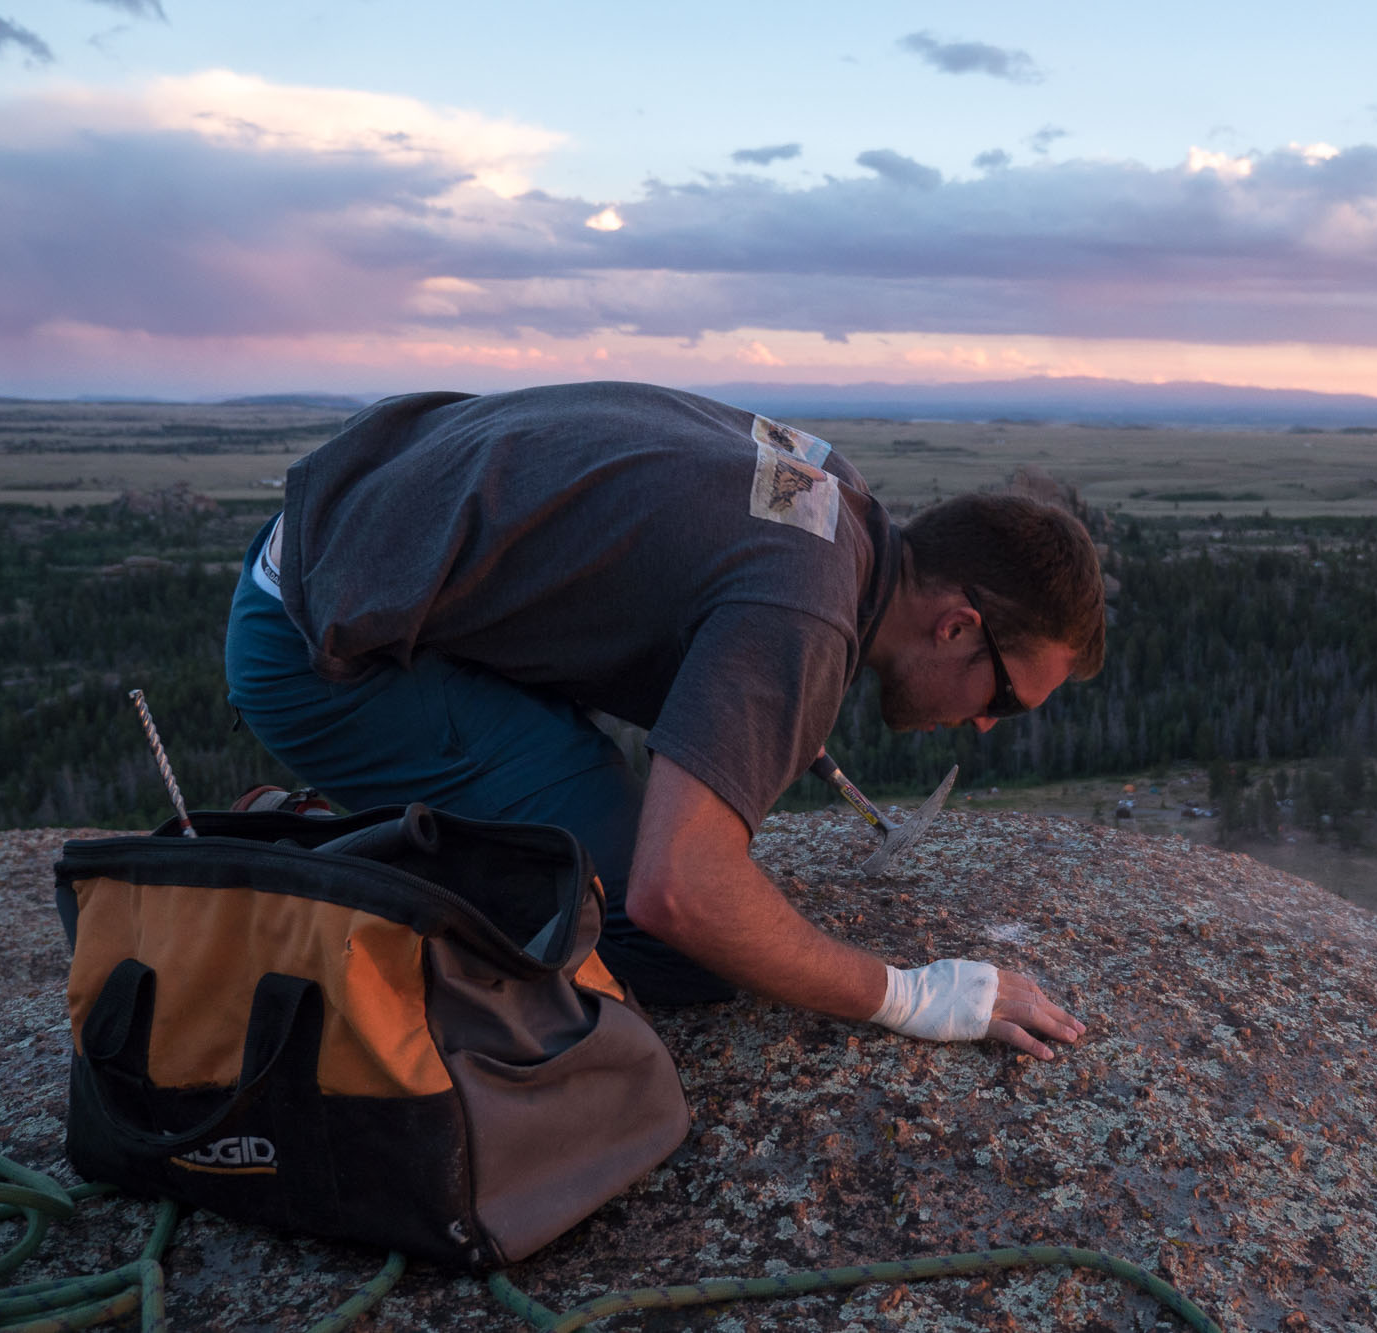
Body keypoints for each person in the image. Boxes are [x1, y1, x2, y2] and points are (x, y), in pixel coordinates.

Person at [224, 381, 1103, 1060]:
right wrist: (913, 996)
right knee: (673, 944)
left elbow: (691, 561)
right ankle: (325, 867)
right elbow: (679, 890)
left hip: (361, 549)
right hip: (324, 645)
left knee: (609, 827)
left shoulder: (836, 495)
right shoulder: (806, 608)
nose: (989, 727)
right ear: (956, 625)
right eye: (1005, 699)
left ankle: (386, 833)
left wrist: (751, 693)